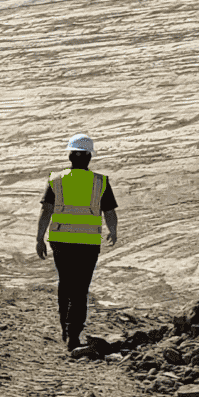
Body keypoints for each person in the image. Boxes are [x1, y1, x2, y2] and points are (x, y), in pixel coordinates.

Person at [35, 133, 118, 355]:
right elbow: (109, 212)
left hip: (60, 241)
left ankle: (65, 329)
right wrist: (113, 231)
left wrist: (39, 238)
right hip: (88, 243)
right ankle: (74, 335)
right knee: (81, 288)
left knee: (66, 283)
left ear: (70, 156)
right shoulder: (100, 182)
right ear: (89, 157)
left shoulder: (56, 180)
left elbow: (46, 211)